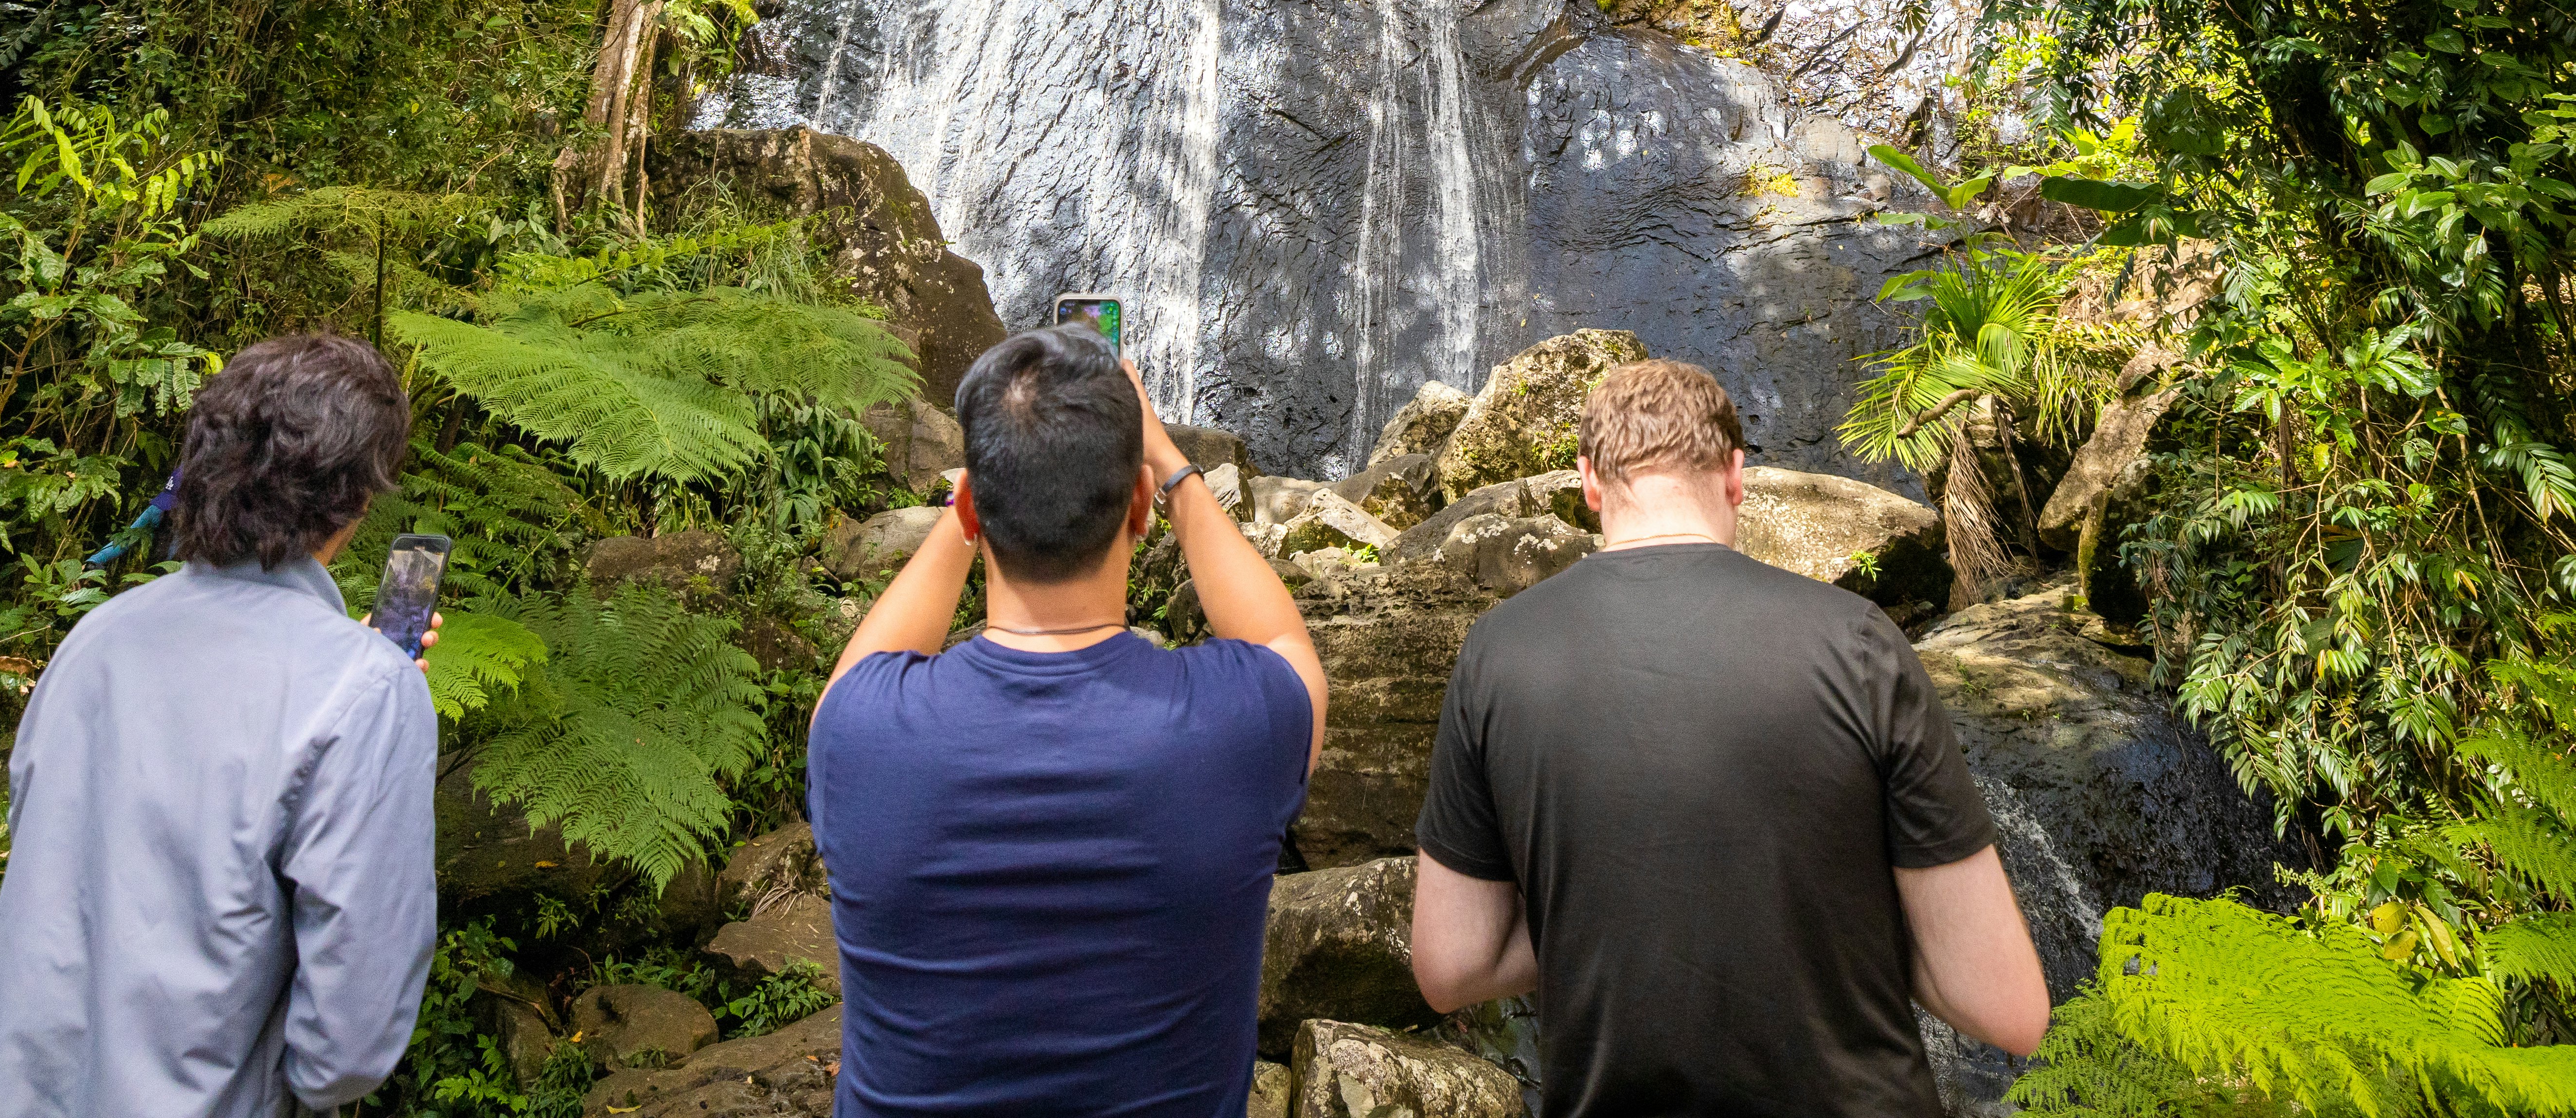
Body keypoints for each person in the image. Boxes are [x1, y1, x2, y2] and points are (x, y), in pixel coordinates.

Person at [1410, 356, 2049, 1117]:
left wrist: (1591, 909)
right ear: (1735, 474)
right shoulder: (1858, 642)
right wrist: (1832, 918)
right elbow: (2009, 1007)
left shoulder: (1498, 652)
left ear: (1589, 482)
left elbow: (1450, 965)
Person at [810, 323, 1328, 1118]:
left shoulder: (858, 734)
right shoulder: (1236, 726)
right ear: (1141, 504)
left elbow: (857, 669)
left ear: (972, 509)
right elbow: (1283, 640)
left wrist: (969, 508)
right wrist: (1168, 457)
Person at [0, 333, 442, 1117]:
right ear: (358, 497)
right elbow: (347, 1047)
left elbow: (62, 860)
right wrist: (365, 686)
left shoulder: (96, 642)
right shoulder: (363, 693)